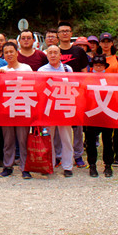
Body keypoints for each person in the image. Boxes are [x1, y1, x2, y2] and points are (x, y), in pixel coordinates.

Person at [38, 45, 75, 177]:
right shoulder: (41, 70)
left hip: (63, 106)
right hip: (48, 108)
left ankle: (67, 166)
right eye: (50, 53)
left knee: (66, 138)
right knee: (48, 138)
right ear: (47, 55)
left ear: (60, 55)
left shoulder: (67, 69)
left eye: (55, 53)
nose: (53, 55)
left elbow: (72, 86)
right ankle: (49, 164)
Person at [0, 41, 33, 178]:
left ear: (17, 53)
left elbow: (33, 85)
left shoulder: (26, 68)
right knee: (8, 141)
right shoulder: (1, 70)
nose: (9, 54)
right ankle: (8, 166)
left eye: (11, 51)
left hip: (22, 108)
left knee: (23, 140)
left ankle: (25, 168)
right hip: (7, 109)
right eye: (6, 52)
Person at [56, 22, 88, 167]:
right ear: (58, 35)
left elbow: (84, 72)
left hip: (76, 93)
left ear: (71, 33)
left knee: (77, 126)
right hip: (58, 94)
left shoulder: (79, 51)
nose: (64, 33)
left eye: (67, 31)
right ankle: (58, 155)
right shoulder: (53, 51)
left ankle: (78, 155)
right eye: (62, 31)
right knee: (58, 126)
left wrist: (82, 91)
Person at [85, 54, 114, 178]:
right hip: (91, 113)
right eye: (96, 65)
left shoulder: (111, 79)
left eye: (101, 65)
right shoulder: (87, 78)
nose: (98, 68)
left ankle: (108, 165)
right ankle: (92, 165)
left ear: (104, 67)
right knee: (90, 141)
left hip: (106, 113)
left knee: (108, 141)